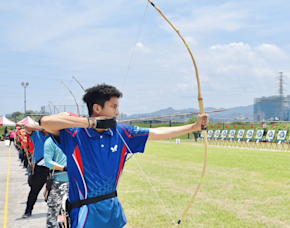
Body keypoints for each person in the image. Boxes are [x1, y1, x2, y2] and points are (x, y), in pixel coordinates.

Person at [41, 84, 208, 228]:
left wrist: (194, 126)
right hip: (86, 212)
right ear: (97, 108)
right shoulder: (73, 134)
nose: (118, 112)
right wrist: (91, 123)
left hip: (113, 208)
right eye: (113, 107)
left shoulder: (121, 132)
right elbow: (46, 122)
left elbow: (157, 132)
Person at [22, 124, 50, 218]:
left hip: (55, 167)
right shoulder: (37, 134)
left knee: (55, 191)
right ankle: (28, 210)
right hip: (40, 167)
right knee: (34, 190)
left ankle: (57, 211)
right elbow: (26, 127)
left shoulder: (54, 134)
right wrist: (43, 127)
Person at [44, 135, 69, 228]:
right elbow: (47, 162)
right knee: (53, 211)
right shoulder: (50, 141)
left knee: (75, 209)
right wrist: (64, 168)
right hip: (58, 181)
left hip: (76, 181)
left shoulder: (72, 138)